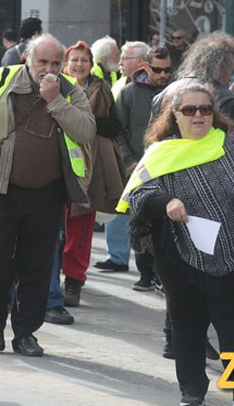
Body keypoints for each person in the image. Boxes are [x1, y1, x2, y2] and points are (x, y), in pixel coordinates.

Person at [118, 83, 234, 406]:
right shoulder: (161, 153)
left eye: (205, 108)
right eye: (189, 110)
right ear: (175, 116)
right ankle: (192, 392)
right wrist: (167, 201)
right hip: (178, 255)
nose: (198, 115)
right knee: (187, 325)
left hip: (232, 251)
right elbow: (138, 195)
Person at [0, 34, 95, 356]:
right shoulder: (0, 80)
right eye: (42, 61)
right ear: (27, 57)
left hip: (47, 194)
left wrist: (56, 101)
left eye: (55, 63)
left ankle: (26, 332)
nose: (49, 69)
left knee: (37, 265)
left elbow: (86, 131)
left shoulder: (69, 91)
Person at [45, 40, 124, 325]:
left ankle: (74, 282)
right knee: (54, 229)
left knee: (80, 230)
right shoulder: (52, 86)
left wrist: (84, 122)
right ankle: (51, 280)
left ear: (91, 65)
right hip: (55, 167)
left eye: (84, 61)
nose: (79, 65)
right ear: (66, 64)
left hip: (89, 169)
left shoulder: (101, 89)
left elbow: (115, 126)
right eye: (74, 60)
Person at [104, 46, 172, 291]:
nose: (163, 75)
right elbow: (117, 131)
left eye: (167, 70)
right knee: (140, 222)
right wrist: (129, 161)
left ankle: (161, 274)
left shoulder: (175, 93)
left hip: (168, 167)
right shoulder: (130, 93)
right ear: (146, 66)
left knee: (164, 223)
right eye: (158, 70)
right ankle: (145, 272)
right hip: (138, 167)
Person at [151, 32, 234, 140]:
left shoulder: (166, 92)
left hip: (169, 155)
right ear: (223, 68)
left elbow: (152, 139)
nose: (230, 77)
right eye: (231, 69)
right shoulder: (225, 98)